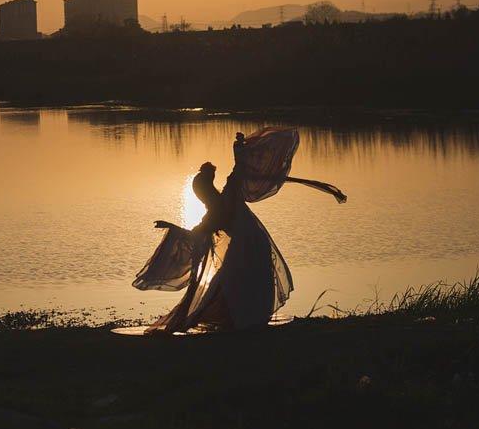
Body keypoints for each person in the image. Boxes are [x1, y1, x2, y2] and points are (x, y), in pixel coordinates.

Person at [133, 127, 346, 334]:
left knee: (236, 283)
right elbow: (199, 232)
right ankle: (243, 321)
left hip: (250, 247)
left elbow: (237, 174)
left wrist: (240, 150)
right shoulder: (222, 203)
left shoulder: (223, 202)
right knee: (232, 284)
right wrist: (240, 150)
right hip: (249, 246)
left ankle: (245, 323)